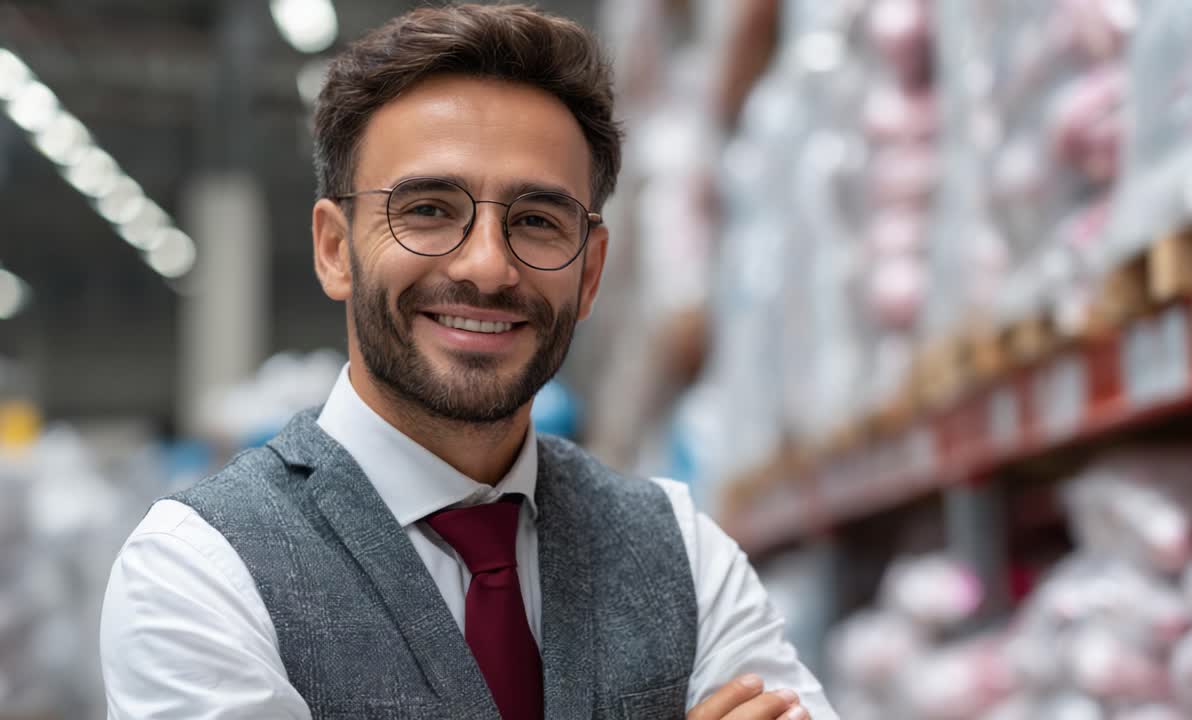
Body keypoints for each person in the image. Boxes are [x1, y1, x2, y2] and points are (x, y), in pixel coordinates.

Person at [100, 5, 836, 719]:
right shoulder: (199, 570)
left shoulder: (680, 551)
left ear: (589, 273)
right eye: (427, 210)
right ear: (335, 248)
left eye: (538, 222)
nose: (487, 267)